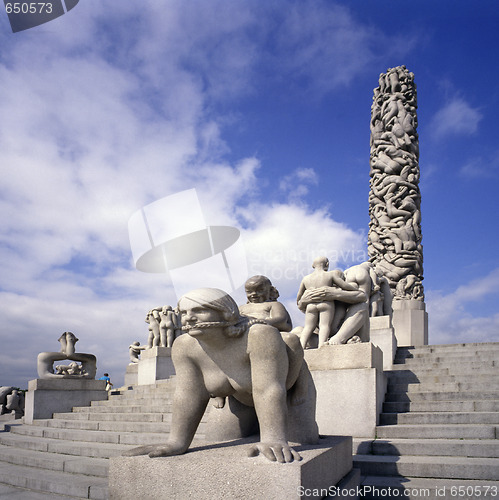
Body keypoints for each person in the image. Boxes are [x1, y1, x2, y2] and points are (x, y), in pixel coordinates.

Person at [123, 287, 318, 463]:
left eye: (198, 311)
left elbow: (268, 389)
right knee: (219, 437)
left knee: (301, 441)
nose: (188, 318)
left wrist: (272, 438)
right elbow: (188, 394)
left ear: (226, 313)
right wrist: (176, 442)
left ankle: (297, 388)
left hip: (289, 394)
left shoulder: (259, 335)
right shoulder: (184, 346)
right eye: (184, 312)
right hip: (237, 399)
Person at [296, 257, 359, 348]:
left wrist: (301, 301)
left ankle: (301, 347)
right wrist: (354, 289)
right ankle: (321, 345)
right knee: (324, 325)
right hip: (325, 304)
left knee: (308, 327)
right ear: (327, 264)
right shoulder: (330, 275)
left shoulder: (306, 278)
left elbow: (299, 295)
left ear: (313, 266)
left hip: (310, 305)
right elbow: (343, 285)